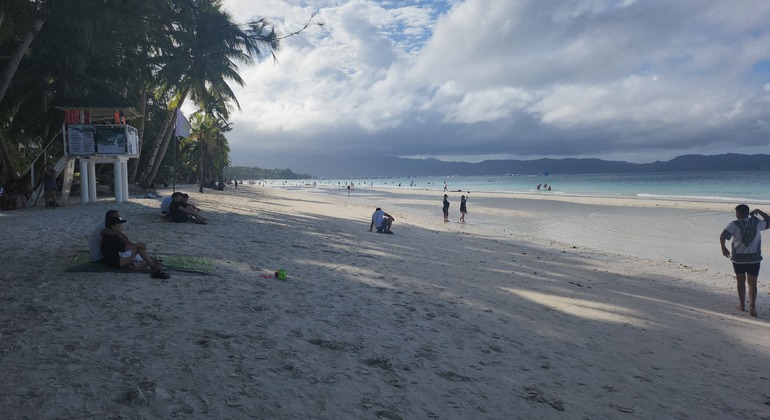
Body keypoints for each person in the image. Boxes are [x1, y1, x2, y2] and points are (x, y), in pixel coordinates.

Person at [720, 204, 770, 317]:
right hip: (754, 259)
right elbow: (768, 220)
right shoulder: (757, 223)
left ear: (738, 213)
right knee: (752, 283)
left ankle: (742, 305)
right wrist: (759, 211)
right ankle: (752, 307)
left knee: (740, 282)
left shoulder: (733, 224)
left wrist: (724, 248)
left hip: (739, 259)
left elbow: (723, 236)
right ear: (748, 212)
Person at [100, 215, 170, 279]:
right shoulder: (112, 237)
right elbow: (127, 248)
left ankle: (145, 264)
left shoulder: (111, 234)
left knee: (140, 250)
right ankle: (153, 266)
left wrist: (122, 234)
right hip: (115, 262)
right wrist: (138, 245)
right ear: (113, 226)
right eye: (119, 224)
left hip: (114, 259)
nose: (121, 226)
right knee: (139, 248)